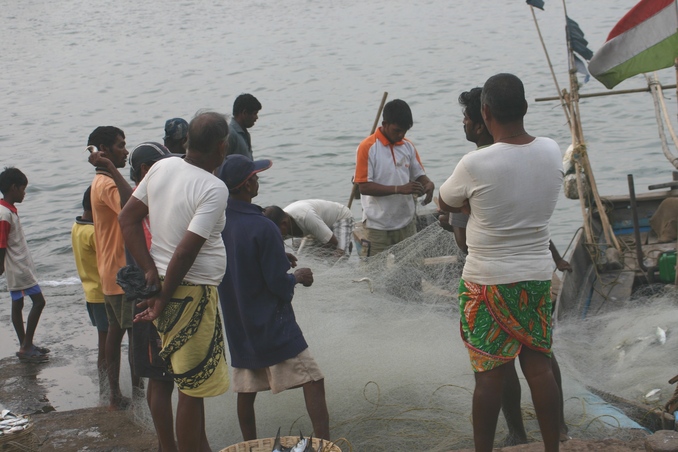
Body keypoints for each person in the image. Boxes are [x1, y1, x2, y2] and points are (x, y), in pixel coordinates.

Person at [439, 73, 564, 452]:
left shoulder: (475, 163)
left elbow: (444, 202)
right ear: (525, 108)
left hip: (486, 280)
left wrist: (468, 205)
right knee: (539, 367)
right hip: (538, 276)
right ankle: (554, 446)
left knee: (490, 374)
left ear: (485, 112)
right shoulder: (552, 149)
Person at [119, 111, 230, 452]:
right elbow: (185, 253)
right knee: (192, 389)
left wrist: (150, 269)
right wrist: (162, 296)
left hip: (165, 284)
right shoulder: (213, 187)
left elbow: (128, 218)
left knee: (184, 382)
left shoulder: (161, 168)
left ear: (187, 142)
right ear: (222, 148)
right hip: (189, 293)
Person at [217, 154, 330, 441]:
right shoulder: (264, 226)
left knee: (246, 387)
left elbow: (238, 262)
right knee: (313, 379)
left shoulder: (217, 222)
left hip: (238, 322)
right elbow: (278, 285)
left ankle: (249, 444)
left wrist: (277, 255)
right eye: (253, 177)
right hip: (272, 323)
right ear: (245, 185)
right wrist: (298, 276)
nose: (257, 180)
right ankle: (325, 441)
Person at [127, 141, 206, 452]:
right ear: (147, 171)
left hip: (161, 298)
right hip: (153, 302)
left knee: (171, 378)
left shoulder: (150, 204)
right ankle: (169, 446)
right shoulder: (143, 210)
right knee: (162, 379)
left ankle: (184, 444)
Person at [88, 126, 141, 410]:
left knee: (114, 331)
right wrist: (110, 167)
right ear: (104, 150)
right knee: (132, 333)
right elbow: (132, 204)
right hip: (123, 271)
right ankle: (134, 393)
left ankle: (115, 395)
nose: (126, 151)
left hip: (110, 270)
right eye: (121, 145)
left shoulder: (98, 184)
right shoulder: (107, 183)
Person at [353, 99, 434, 257]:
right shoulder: (367, 147)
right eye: (397, 130)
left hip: (406, 223)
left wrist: (428, 183)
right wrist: (399, 189)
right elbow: (364, 187)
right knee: (374, 274)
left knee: (412, 272)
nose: (401, 135)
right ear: (385, 123)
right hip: (377, 227)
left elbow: (418, 175)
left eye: (404, 131)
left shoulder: (407, 146)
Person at [0, 167, 49, 364]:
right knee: (39, 302)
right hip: (18, 268)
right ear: (14, 188)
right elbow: (1, 244)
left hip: (17, 267)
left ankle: (25, 344)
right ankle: (26, 345)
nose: (24, 192)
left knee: (17, 304)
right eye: (23, 188)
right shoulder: (4, 214)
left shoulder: (7, 210)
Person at [71, 186, 108, 395]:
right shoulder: (94, 232)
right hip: (102, 293)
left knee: (103, 340)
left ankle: (105, 386)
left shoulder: (77, 227)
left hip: (90, 291)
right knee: (106, 344)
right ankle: (106, 387)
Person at [263, 199, 355, 256]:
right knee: (298, 248)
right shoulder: (278, 224)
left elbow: (333, 242)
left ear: (284, 224)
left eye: (276, 231)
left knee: (340, 254)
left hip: (340, 218)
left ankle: (346, 245)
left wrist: (320, 252)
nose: (275, 234)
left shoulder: (306, 216)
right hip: (316, 226)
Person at [227, 93, 261, 160]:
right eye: (254, 114)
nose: (257, 117)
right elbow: (220, 165)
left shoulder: (245, 134)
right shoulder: (230, 134)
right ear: (244, 113)